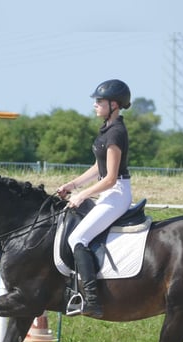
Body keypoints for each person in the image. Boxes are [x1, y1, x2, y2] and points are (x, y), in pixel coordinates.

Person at [56, 79, 133, 319]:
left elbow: (110, 178)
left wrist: (83, 195)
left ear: (114, 104)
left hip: (116, 193)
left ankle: (91, 300)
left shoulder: (116, 133)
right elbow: (97, 167)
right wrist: (73, 185)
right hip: (108, 191)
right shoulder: (107, 129)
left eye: (99, 101)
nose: (95, 105)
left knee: (78, 237)